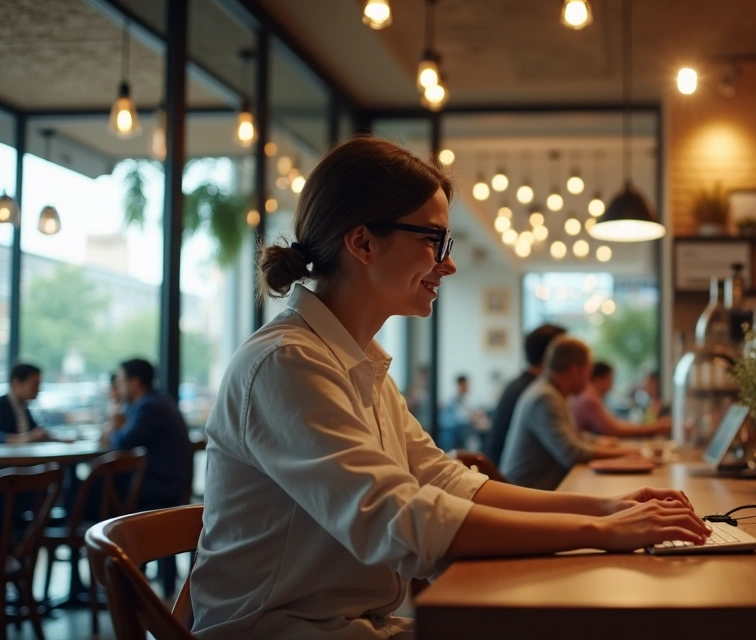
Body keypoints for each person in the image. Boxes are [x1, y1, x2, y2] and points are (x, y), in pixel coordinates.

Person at [190, 137, 709, 639]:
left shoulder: (355, 361)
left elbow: (442, 480)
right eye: (434, 240)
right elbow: (397, 519)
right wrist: (601, 533)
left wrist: (607, 508)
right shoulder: (287, 363)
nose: (450, 262)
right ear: (363, 242)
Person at [500, 337, 641, 490]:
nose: (589, 379)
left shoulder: (553, 392)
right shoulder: (545, 398)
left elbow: (573, 435)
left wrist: (601, 442)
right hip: (526, 495)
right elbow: (571, 454)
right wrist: (625, 453)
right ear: (575, 370)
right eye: (588, 371)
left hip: (538, 488)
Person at [103, 359, 194, 510]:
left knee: (99, 485)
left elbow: (124, 443)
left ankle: (91, 531)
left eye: (121, 381)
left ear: (135, 382)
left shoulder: (149, 406)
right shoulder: (156, 400)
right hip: (170, 481)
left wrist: (114, 430)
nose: (118, 387)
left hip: (161, 487)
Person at [483, 324, 565, 464]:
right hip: (504, 479)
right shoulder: (539, 392)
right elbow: (566, 451)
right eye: (566, 352)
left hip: (498, 472)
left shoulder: (520, 384)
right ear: (552, 354)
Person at [573, 362, 671, 438]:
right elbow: (614, 430)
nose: (612, 385)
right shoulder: (589, 399)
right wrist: (655, 428)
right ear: (600, 379)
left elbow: (614, 424)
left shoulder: (590, 397)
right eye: (610, 379)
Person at [0, 363, 50, 443]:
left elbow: (35, 431)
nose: (38, 390)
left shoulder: (24, 407)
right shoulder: (2, 405)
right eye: (34, 385)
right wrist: (25, 438)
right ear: (16, 383)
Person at [437, 374, 485, 451]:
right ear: (461, 384)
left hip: (460, 436)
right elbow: (454, 419)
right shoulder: (450, 401)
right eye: (466, 384)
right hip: (452, 436)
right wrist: (472, 417)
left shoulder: (464, 400)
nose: (468, 387)